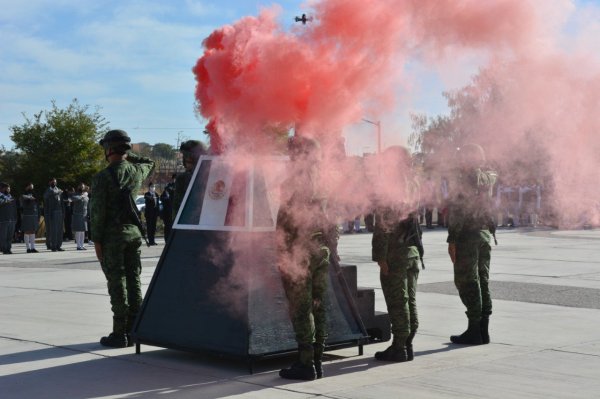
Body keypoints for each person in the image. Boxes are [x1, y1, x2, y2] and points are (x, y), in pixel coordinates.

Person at [277, 136, 336, 381]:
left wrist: (282, 250)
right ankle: (317, 360)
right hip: (321, 250)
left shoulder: (295, 180)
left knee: (301, 309)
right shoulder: (324, 180)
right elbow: (334, 220)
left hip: (299, 252)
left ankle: (306, 363)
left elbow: (287, 220)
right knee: (318, 305)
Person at [91, 129, 155, 348]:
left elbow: (97, 213)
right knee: (134, 279)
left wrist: (97, 241)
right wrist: (129, 154)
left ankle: (119, 334)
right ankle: (134, 329)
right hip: (133, 235)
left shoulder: (102, 178)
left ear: (108, 150)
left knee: (117, 282)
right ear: (125, 150)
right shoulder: (136, 171)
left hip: (112, 237)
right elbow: (150, 162)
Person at [371, 146, 423, 362]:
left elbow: (384, 225)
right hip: (411, 250)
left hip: (395, 252)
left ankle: (399, 347)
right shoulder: (413, 183)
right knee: (409, 299)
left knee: (397, 301)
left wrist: (380, 256)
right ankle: (407, 344)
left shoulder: (391, 185)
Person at [447, 144, 497, 345]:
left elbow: (459, 210)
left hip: (468, 235)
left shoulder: (465, 179)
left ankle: (474, 330)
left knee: (467, 281)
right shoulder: (488, 176)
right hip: (484, 234)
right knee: (482, 280)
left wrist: (452, 239)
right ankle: (483, 330)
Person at [173, 140, 208, 218]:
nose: (186, 163)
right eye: (186, 160)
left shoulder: (210, 178)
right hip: (187, 223)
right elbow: (178, 209)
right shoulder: (182, 179)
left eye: (190, 161)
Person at [44, 178, 64, 252]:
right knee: (53, 230)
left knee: (59, 230)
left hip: (59, 211)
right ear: (49, 182)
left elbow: (61, 202)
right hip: (52, 212)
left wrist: (63, 211)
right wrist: (56, 192)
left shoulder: (59, 189)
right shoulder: (48, 190)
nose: (54, 183)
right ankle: (53, 246)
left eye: (55, 182)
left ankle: (59, 246)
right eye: (53, 182)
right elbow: (45, 197)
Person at [21, 183, 39, 253]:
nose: (31, 189)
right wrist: (29, 197)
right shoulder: (23, 194)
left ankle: (33, 248)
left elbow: (36, 202)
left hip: (34, 214)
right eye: (30, 187)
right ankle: (28, 248)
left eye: (32, 187)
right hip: (27, 215)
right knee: (27, 231)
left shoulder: (34, 194)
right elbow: (23, 197)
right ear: (26, 187)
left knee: (33, 231)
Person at [71, 183, 89, 250]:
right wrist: (82, 196)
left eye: (83, 187)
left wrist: (88, 214)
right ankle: (78, 246)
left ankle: (82, 245)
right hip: (77, 214)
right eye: (81, 187)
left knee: (83, 231)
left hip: (84, 215)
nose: (82, 188)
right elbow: (74, 199)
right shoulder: (75, 194)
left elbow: (87, 206)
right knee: (78, 230)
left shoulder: (86, 196)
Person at [0, 182, 17, 254]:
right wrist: (6, 201)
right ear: (2, 189)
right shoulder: (1, 196)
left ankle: (8, 248)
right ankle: (4, 249)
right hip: (3, 219)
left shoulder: (11, 197)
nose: (8, 190)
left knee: (10, 236)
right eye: (7, 188)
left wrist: (15, 218)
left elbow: (15, 208)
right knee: (3, 236)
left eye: (9, 188)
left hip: (12, 219)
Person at [160, 174, 175, 240]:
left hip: (172, 212)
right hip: (166, 212)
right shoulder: (165, 192)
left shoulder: (174, 192)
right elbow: (162, 198)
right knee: (167, 226)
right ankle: (166, 239)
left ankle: (171, 238)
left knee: (171, 226)